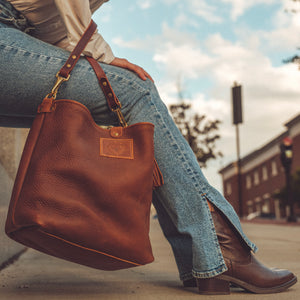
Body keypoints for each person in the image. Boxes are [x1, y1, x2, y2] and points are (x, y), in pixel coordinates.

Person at [0, 0, 297, 295]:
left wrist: (93, 53)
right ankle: (218, 251)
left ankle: (208, 256)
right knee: (134, 90)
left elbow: (53, 27)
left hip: (17, 33)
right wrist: (101, 55)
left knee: (127, 91)